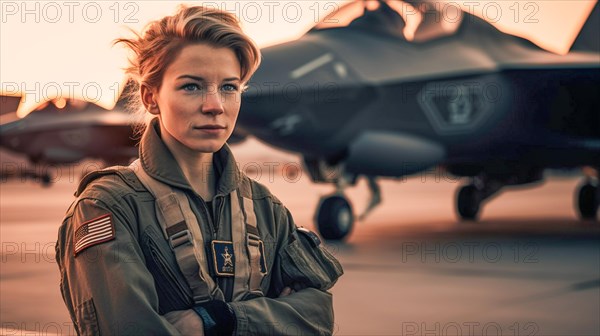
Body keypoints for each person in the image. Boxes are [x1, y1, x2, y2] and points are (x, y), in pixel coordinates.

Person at [55, 6, 343, 336]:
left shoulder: (265, 206)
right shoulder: (109, 207)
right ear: (151, 97)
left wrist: (219, 319)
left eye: (229, 87)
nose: (215, 105)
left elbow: (318, 316)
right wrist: (273, 315)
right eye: (192, 86)